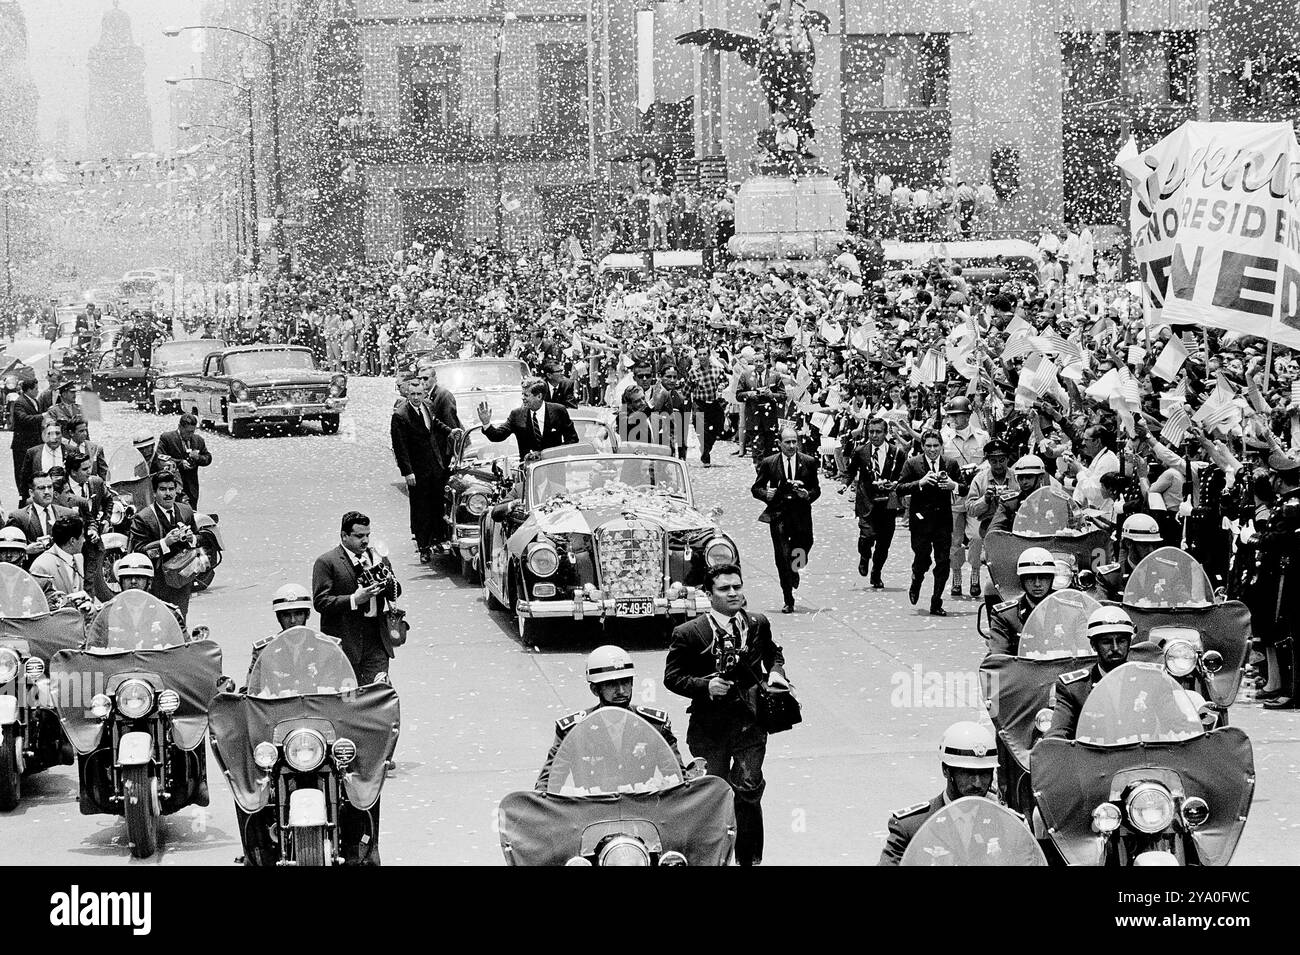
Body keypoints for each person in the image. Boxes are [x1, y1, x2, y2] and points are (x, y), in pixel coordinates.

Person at [664, 564, 788, 866]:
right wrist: (706, 686)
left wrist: (776, 673)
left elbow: (774, 653)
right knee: (712, 796)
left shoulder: (757, 624)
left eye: (737, 587)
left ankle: (750, 860)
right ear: (709, 594)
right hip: (709, 729)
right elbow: (672, 677)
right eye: (724, 589)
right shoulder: (689, 633)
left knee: (748, 790)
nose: (733, 593)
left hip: (750, 725)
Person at [535, 645, 684, 791]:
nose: (621, 691)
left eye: (625, 682)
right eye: (611, 684)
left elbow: (678, 777)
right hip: (593, 810)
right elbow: (547, 785)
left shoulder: (654, 725)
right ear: (595, 689)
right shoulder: (573, 730)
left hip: (640, 810)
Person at [878, 721, 1000, 865]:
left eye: (984, 773)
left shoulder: (1005, 823)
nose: (977, 783)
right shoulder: (911, 827)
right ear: (946, 770)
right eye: (967, 773)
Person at [311, 511, 402, 684]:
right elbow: (321, 602)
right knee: (348, 699)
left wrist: (386, 579)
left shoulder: (377, 557)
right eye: (359, 536)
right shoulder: (327, 562)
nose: (365, 541)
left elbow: (396, 592)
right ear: (344, 536)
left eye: (368, 535)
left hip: (376, 640)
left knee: (376, 695)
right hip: (345, 642)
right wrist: (354, 599)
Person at [391, 368, 462, 562]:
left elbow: (435, 422)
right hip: (417, 469)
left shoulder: (428, 405)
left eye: (419, 394)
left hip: (435, 464)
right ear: (407, 394)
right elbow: (400, 447)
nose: (416, 398)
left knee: (436, 504)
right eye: (412, 394)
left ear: (424, 394)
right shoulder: (401, 415)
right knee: (420, 508)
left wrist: (450, 431)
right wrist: (407, 472)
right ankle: (423, 546)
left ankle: (437, 539)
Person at [897, 429, 967, 616]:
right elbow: (900, 488)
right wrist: (920, 482)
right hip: (920, 520)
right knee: (922, 558)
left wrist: (954, 486)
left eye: (936, 446)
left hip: (943, 521)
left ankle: (936, 601)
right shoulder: (912, 464)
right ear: (922, 446)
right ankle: (916, 579)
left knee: (943, 562)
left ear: (942, 446)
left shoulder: (950, 464)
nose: (932, 450)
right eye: (928, 446)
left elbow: (964, 488)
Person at [752, 426, 821, 613]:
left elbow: (816, 489)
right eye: (787, 442)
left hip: (801, 515)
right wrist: (767, 494)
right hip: (779, 514)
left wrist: (807, 494)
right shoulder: (769, 463)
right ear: (779, 443)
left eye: (794, 442)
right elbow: (756, 488)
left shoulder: (809, 462)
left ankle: (795, 568)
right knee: (782, 557)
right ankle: (788, 598)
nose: (792, 446)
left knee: (805, 544)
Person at [1046, 605, 1134, 740]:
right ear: (1093, 645)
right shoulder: (1074, 689)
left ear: (1129, 643)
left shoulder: (1149, 680)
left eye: (1121, 640)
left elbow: (1175, 725)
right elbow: (1056, 737)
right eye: (1107, 642)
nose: (1115, 648)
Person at [127, 470, 201, 623]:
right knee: (156, 621)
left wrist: (191, 538)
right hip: (157, 581)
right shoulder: (143, 518)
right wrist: (164, 543)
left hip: (183, 577)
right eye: (163, 489)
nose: (168, 494)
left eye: (171, 489)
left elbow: (199, 536)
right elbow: (138, 551)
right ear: (154, 493)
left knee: (180, 619)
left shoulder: (186, 511)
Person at [843, 416, 905, 587]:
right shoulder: (860, 451)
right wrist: (845, 484)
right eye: (871, 432)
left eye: (878, 432)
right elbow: (850, 471)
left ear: (885, 433)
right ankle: (864, 556)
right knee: (866, 536)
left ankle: (876, 572)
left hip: (887, 504)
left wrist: (894, 484)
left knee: (884, 543)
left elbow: (903, 476)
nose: (874, 435)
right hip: (866, 502)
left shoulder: (897, 452)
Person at [942, 397, 989, 598]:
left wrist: (979, 468)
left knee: (978, 537)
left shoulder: (982, 437)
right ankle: (956, 576)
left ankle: (976, 574)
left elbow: (990, 461)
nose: (954, 419)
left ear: (968, 415)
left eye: (958, 415)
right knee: (954, 540)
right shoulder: (944, 437)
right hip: (953, 496)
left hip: (975, 495)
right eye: (951, 416)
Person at [477, 378, 578, 457]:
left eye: (526, 395)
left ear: (539, 396)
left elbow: (572, 439)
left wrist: (549, 454)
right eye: (522, 394)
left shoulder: (558, 411)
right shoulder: (516, 415)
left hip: (555, 471)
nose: (522, 398)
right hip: (528, 473)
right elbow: (498, 436)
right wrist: (486, 423)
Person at [987, 547, 1057, 655]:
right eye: (1030, 578)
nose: (1037, 584)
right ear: (1022, 580)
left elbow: (1085, 653)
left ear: (1052, 579)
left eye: (1044, 577)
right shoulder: (1006, 615)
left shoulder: (1070, 612)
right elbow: (998, 656)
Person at [1091, 513, 1163, 601]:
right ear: (1128, 544)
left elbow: (1183, 605)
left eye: (1154, 545)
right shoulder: (1110, 577)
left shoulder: (1168, 572)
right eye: (1145, 545)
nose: (1151, 550)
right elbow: (1102, 609)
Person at [7, 471, 77, 559]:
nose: (47, 492)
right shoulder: (19, 517)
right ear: (31, 492)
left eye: (50, 487)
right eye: (41, 488)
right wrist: (26, 550)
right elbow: (7, 552)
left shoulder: (69, 514)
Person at [156, 415, 212, 510]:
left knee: (191, 513)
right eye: (188, 432)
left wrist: (198, 458)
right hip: (171, 486)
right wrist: (179, 463)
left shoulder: (198, 440)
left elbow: (208, 458)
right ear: (180, 427)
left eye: (192, 432)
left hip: (191, 487)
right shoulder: (167, 438)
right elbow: (159, 459)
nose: (190, 435)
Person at [687, 345, 728, 467]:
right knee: (701, 429)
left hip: (714, 405)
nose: (702, 357)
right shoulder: (693, 372)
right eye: (700, 354)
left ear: (709, 355)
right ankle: (705, 455)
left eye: (705, 354)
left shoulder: (717, 369)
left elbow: (725, 381)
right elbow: (687, 389)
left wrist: (722, 385)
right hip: (699, 404)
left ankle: (706, 447)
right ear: (697, 356)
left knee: (717, 429)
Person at [28, 514, 86, 600]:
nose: (84, 540)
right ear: (72, 541)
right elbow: (36, 601)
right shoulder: (41, 566)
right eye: (82, 536)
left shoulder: (79, 558)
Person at [18, 420, 66, 505]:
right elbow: (25, 479)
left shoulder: (70, 451)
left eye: (57, 433)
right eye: (49, 434)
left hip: (64, 500)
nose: (54, 437)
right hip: (40, 500)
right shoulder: (33, 452)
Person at [9, 377, 43, 497]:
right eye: (36, 389)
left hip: (34, 444)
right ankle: (23, 495)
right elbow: (23, 419)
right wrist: (41, 416)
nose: (38, 391)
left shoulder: (36, 401)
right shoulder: (20, 402)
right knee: (22, 471)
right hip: (22, 445)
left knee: (33, 470)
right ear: (28, 390)